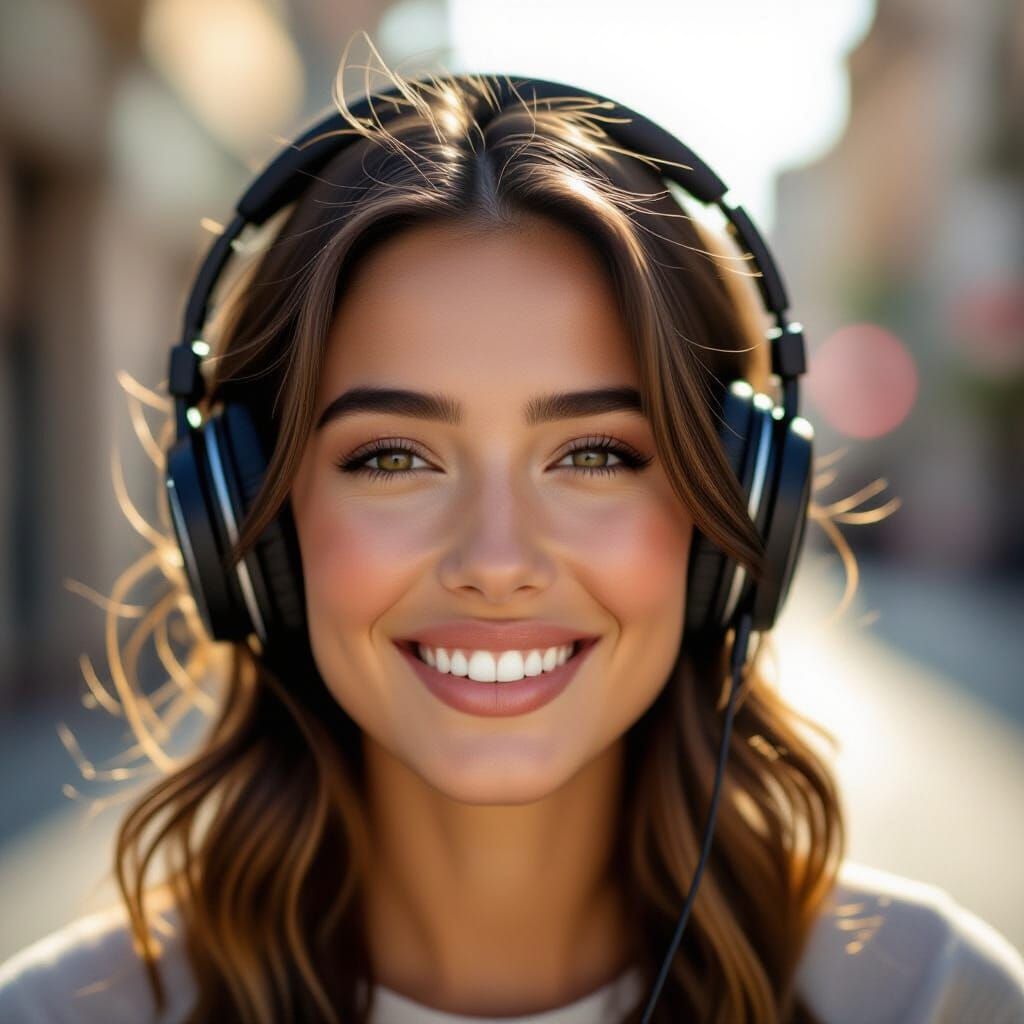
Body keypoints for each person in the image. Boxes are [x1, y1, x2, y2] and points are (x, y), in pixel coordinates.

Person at [2, 43, 1023, 1024]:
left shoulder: (932, 999)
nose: (496, 561)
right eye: (394, 457)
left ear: (734, 514)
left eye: (593, 455)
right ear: (248, 522)